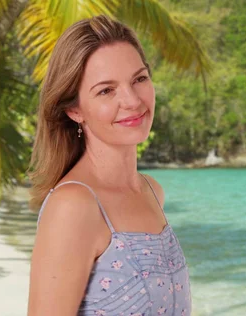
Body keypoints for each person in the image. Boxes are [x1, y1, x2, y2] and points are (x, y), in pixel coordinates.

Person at [27, 15, 191, 316]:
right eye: (106, 90)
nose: (131, 100)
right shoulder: (73, 206)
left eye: (139, 79)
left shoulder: (151, 191)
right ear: (75, 109)